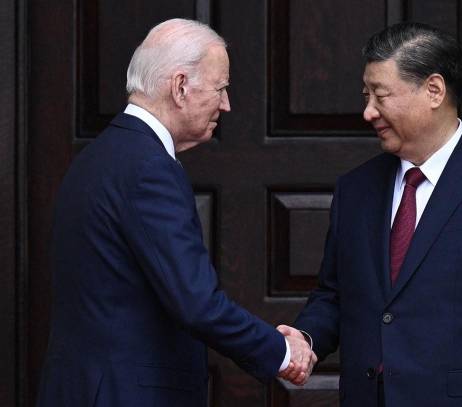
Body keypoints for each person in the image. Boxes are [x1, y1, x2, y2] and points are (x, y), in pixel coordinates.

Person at [278, 22, 462, 406]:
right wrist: (306, 338)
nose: (368, 112)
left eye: (380, 96)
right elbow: (334, 295)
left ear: (434, 90)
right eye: (366, 95)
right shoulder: (356, 189)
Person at [36, 18, 316, 407]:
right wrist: (282, 352)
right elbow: (196, 302)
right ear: (180, 86)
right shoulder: (148, 168)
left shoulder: (98, 157)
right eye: (220, 88)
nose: (226, 104)